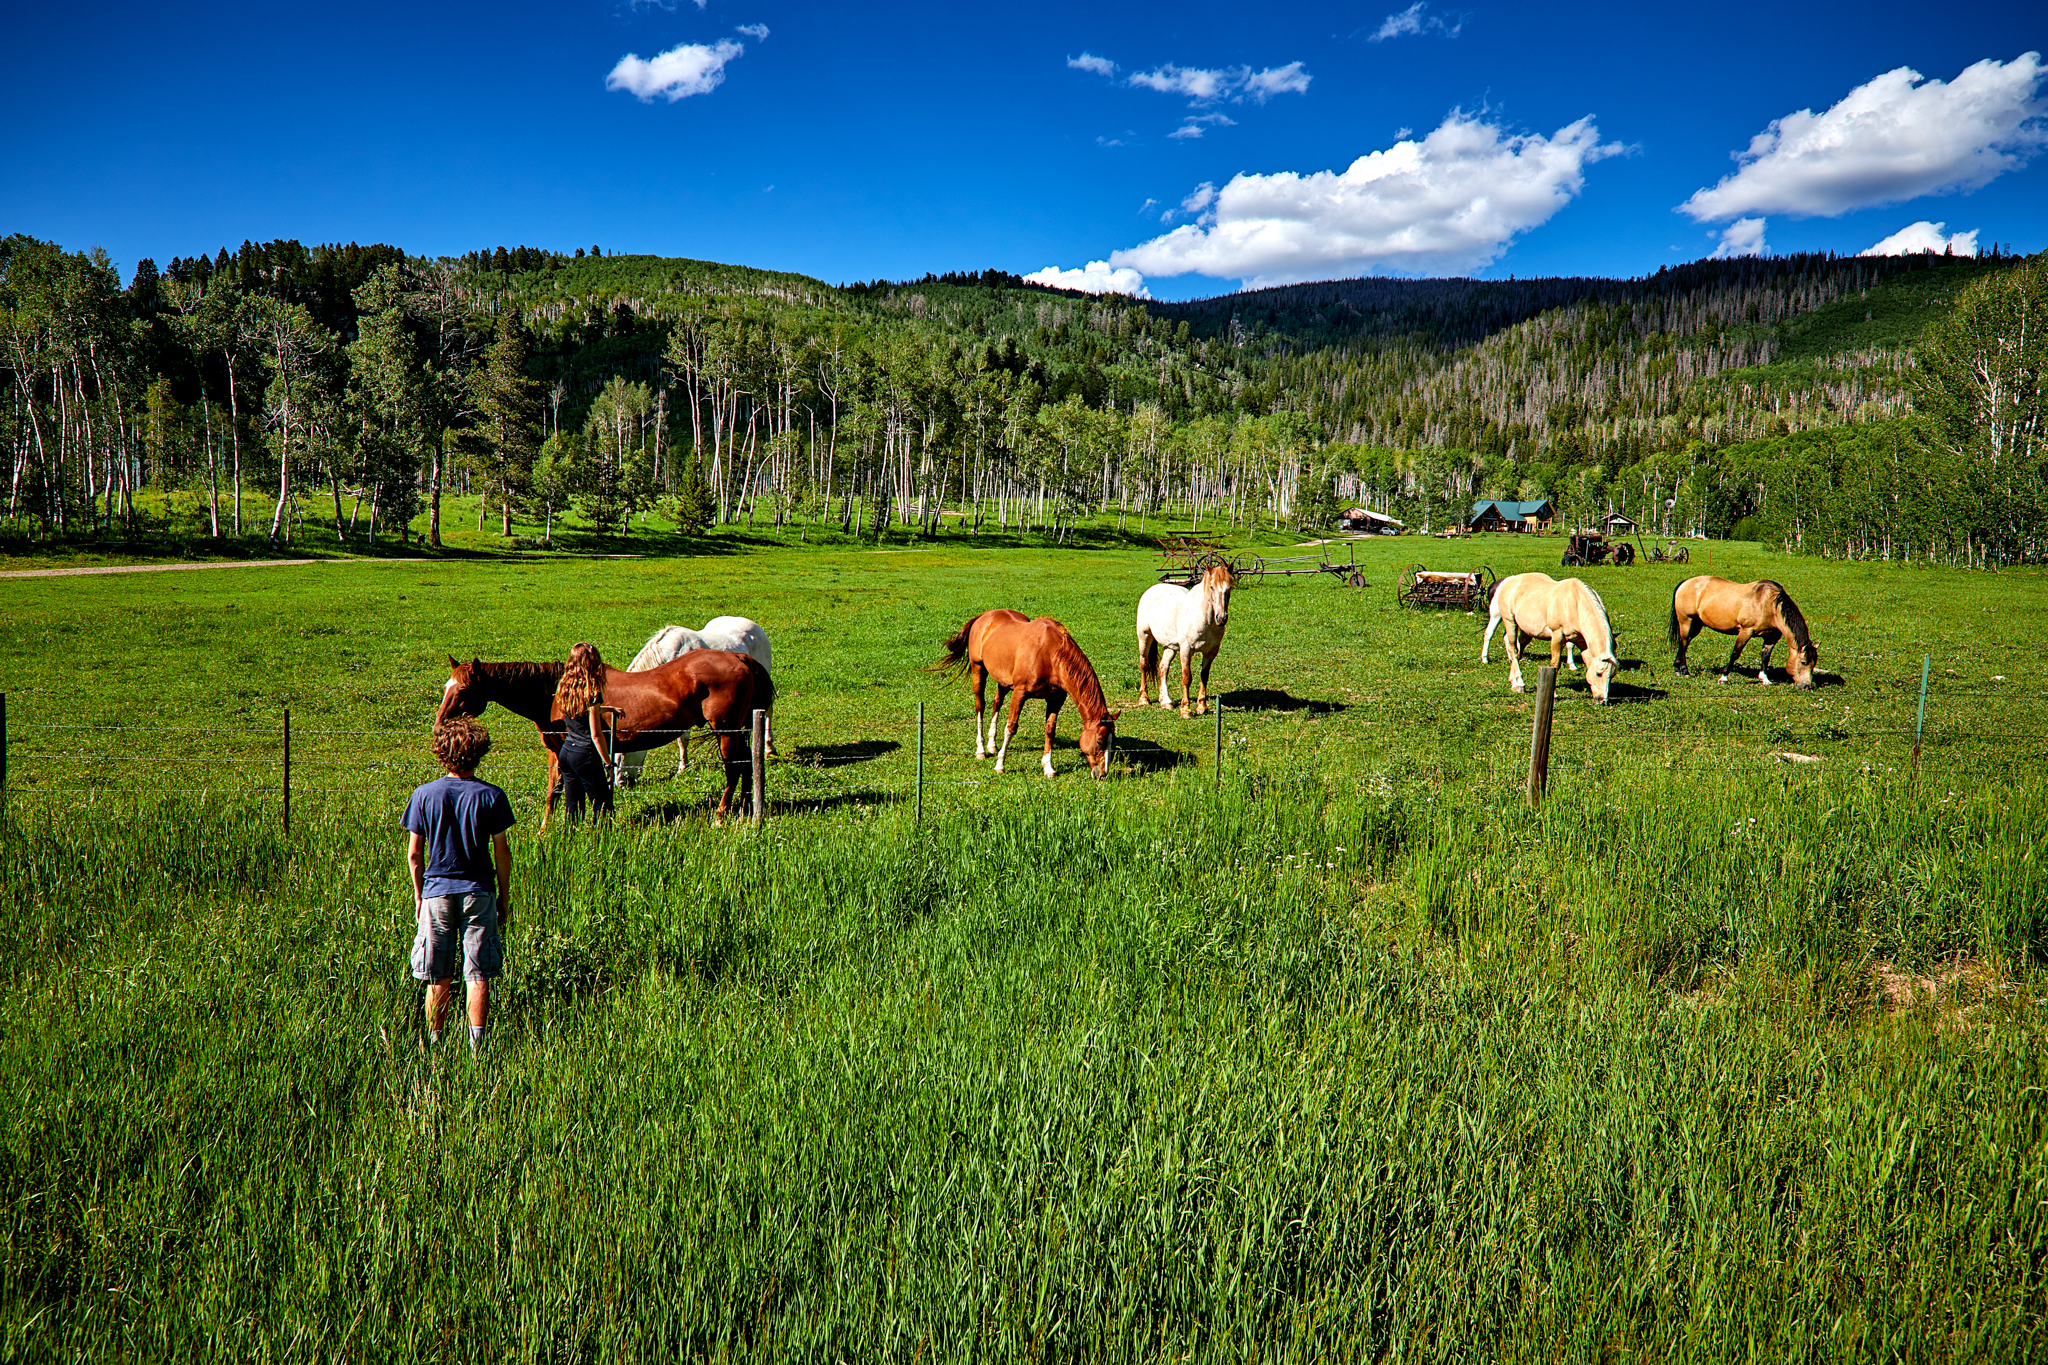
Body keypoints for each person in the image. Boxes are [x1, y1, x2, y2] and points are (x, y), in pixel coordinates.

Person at [403, 714, 515, 1053]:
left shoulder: (423, 795)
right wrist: (504, 898)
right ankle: (477, 1046)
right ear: (478, 752)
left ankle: (435, 1046)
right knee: (477, 973)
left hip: (436, 892)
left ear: (441, 752)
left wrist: (420, 896)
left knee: (438, 974)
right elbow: (502, 853)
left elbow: (414, 855)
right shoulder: (492, 796)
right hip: (479, 890)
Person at [552, 641, 620, 824]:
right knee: (603, 806)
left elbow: (579, 711)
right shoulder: (592, 692)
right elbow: (596, 736)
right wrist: (608, 764)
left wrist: (606, 708)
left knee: (573, 809)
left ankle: (570, 842)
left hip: (567, 752)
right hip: (585, 754)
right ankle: (602, 841)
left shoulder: (565, 687)